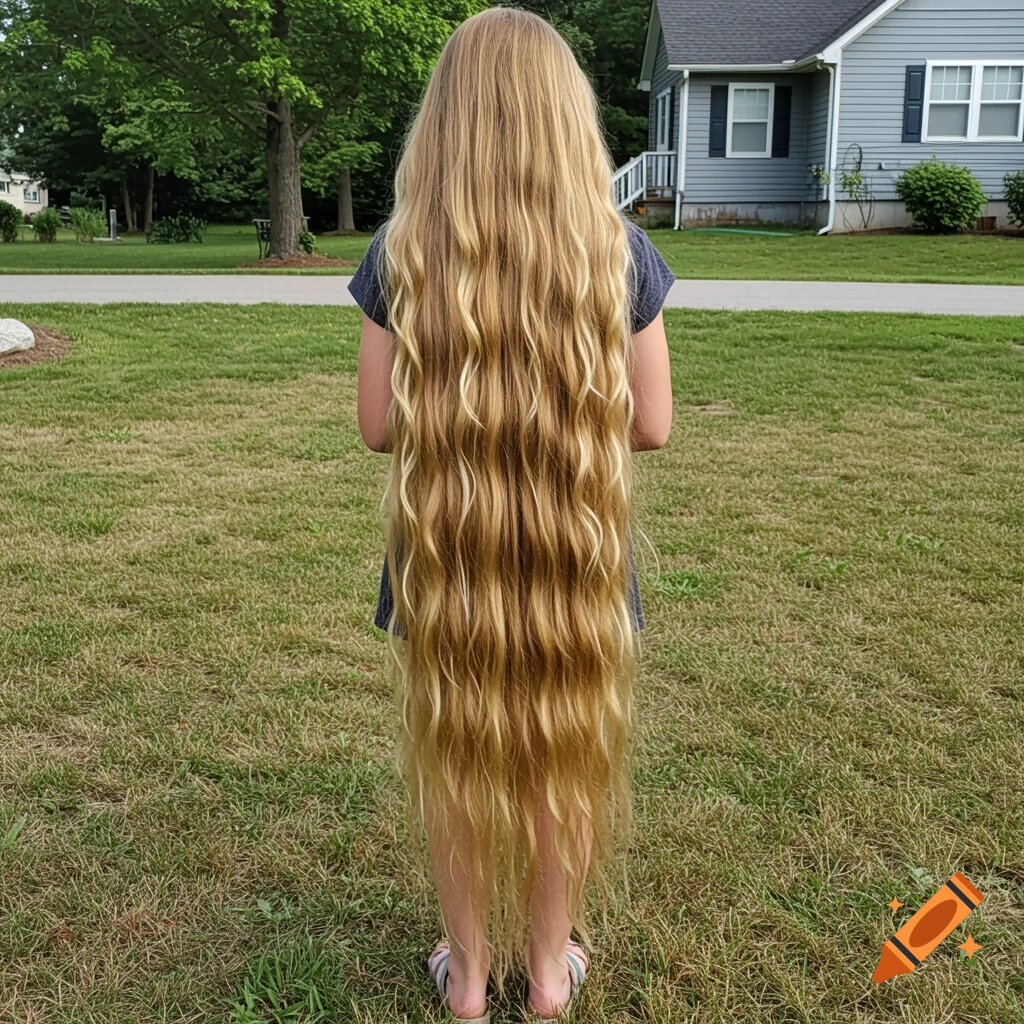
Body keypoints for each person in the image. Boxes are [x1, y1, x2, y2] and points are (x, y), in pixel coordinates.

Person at [348, 7, 674, 1021]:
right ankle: (546, 976)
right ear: (564, 117)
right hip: (574, 551)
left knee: (454, 759)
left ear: (442, 122)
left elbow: (374, 425)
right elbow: (652, 423)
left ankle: (467, 980)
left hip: (446, 549)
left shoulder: (403, 251)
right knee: (559, 762)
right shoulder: (613, 250)